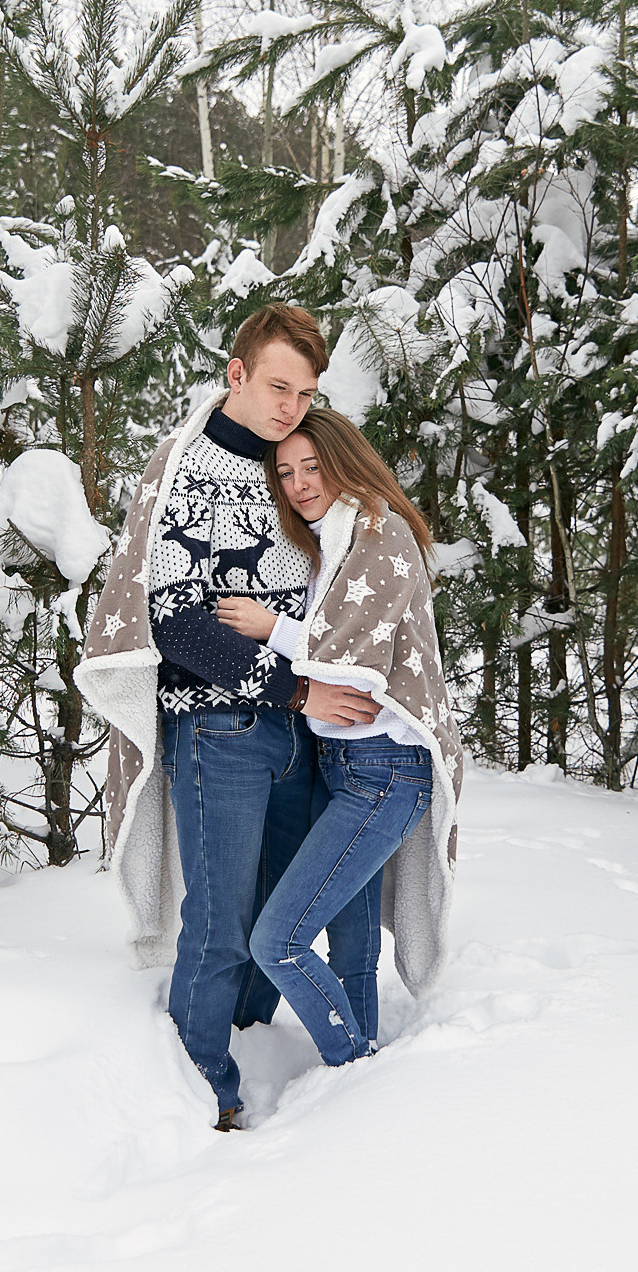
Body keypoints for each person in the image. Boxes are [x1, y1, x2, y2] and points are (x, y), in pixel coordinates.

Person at [76, 306, 383, 1131]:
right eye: (279, 385)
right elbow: (173, 620)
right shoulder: (185, 467)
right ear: (236, 373)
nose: (292, 404)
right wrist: (295, 689)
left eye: (307, 391)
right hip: (222, 729)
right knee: (219, 924)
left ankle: (254, 1050)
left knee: (279, 911)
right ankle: (199, 1097)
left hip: (306, 737)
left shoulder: (298, 465)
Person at [214, 409, 464, 1070]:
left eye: (311, 467)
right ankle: (360, 1070)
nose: (298, 483)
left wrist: (270, 626)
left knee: (279, 940)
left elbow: (353, 656)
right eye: (286, 471)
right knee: (349, 947)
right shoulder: (331, 542)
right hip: (340, 764)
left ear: (342, 460)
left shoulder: (380, 535)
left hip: (385, 771)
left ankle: (356, 1070)